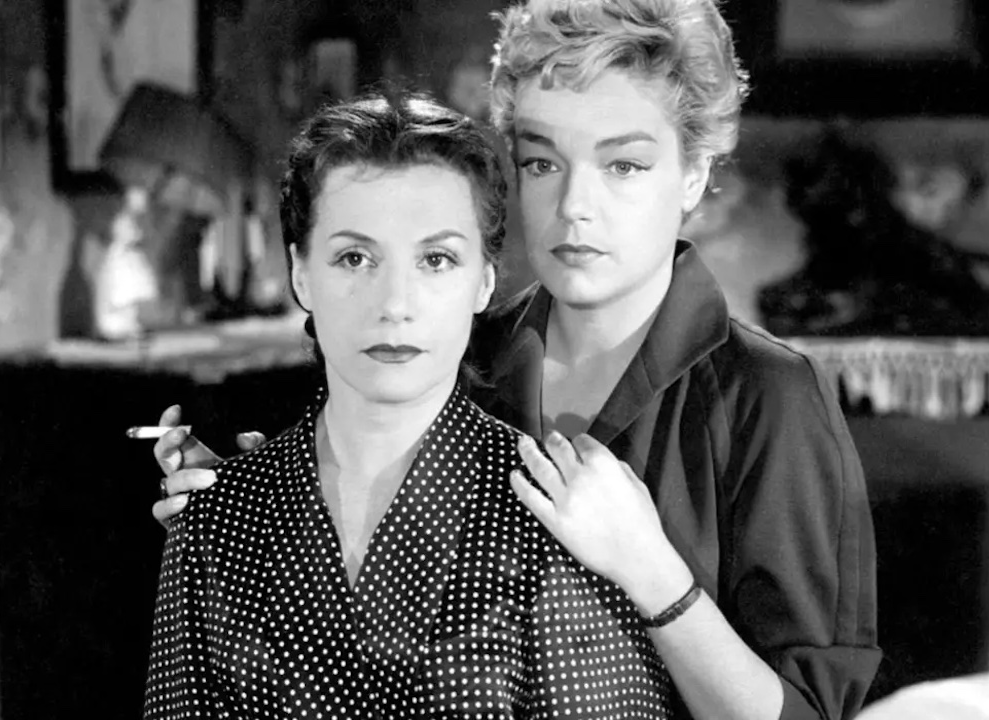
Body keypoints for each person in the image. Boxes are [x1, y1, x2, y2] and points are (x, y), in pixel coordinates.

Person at [151, 1, 881, 718]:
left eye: (624, 165)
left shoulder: (769, 398)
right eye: (542, 162)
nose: (574, 206)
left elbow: (810, 713)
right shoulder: (445, 348)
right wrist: (254, 508)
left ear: (693, 173)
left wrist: (654, 573)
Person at [145, 88, 707, 718]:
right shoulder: (217, 518)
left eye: (436, 259)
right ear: (301, 274)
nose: (395, 304)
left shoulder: (561, 517)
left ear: (484, 281)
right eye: (355, 258)